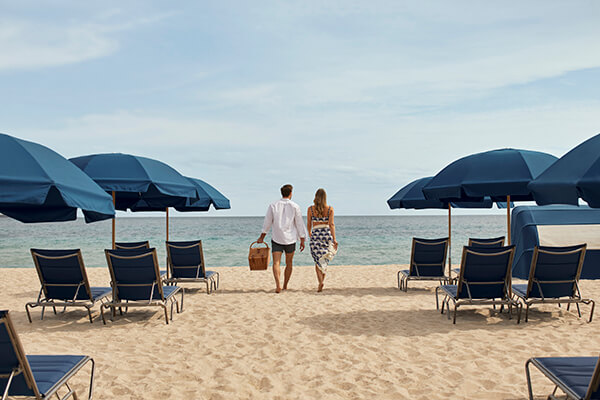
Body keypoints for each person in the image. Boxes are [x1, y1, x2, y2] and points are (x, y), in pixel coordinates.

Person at [257, 184, 307, 293]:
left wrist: (262, 237)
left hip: (277, 238)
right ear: (290, 193)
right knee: (289, 263)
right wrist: (302, 239)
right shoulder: (295, 206)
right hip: (290, 239)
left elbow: (267, 222)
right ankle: (285, 285)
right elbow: (299, 223)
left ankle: (278, 285)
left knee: (276, 263)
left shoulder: (273, 205)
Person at [307, 188, 338, 292]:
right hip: (326, 235)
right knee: (324, 260)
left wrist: (309, 233)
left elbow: (308, 224)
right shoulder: (330, 209)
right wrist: (334, 239)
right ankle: (321, 281)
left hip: (316, 235)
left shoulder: (310, 209)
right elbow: (331, 224)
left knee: (317, 260)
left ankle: (320, 282)